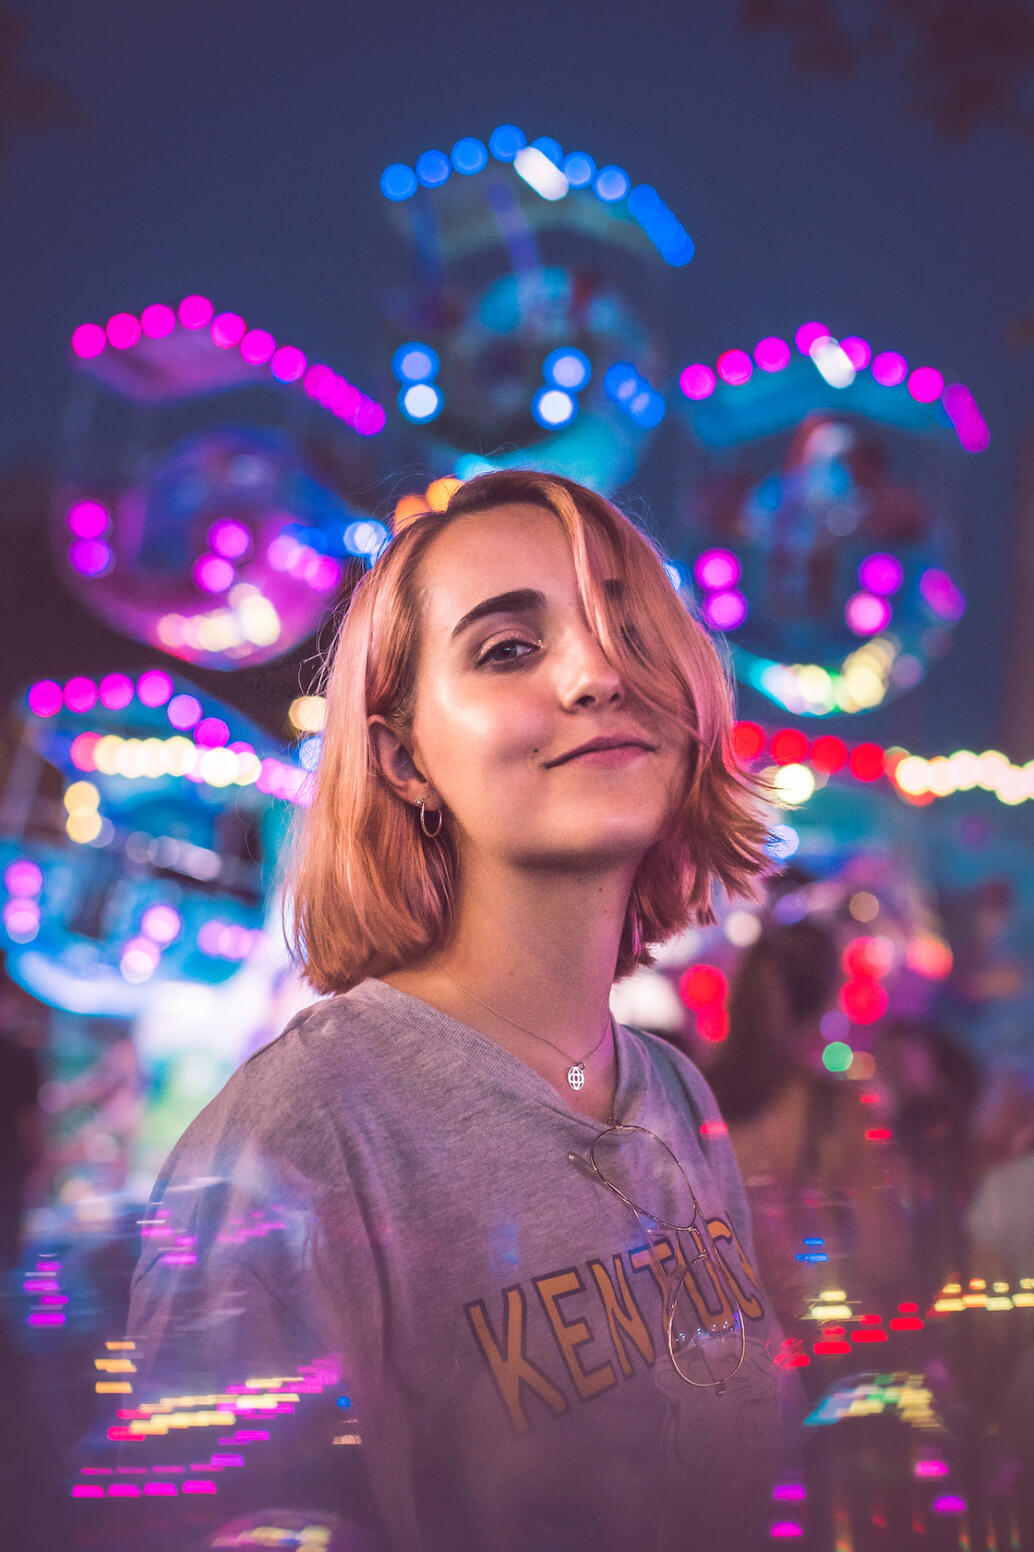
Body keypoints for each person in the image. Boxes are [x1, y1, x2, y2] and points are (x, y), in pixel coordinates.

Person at [123, 470, 794, 1552]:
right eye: (508, 649)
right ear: (405, 760)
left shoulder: (673, 1092)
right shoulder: (297, 1140)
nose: (597, 673)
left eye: (628, 628)